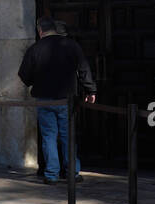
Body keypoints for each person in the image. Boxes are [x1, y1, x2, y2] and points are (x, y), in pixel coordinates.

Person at [18, 17, 97, 182]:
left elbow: (24, 75)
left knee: (48, 137)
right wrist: (90, 90)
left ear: (40, 31)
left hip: (44, 99)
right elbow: (83, 69)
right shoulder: (71, 46)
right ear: (55, 29)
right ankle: (71, 173)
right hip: (66, 99)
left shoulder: (35, 48)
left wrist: (36, 81)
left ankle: (52, 174)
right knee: (68, 136)